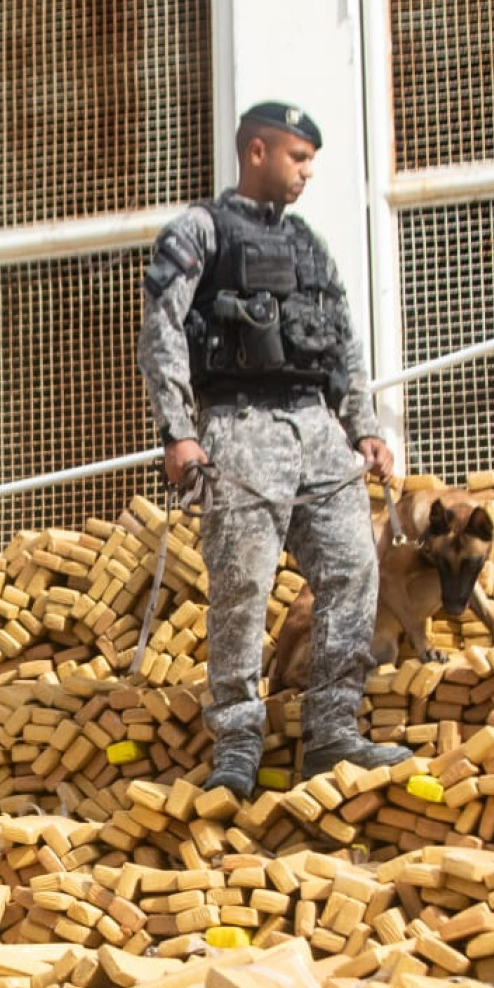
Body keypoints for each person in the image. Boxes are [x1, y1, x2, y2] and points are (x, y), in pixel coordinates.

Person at [137, 101, 412, 797]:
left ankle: (333, 731)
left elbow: (342, 343)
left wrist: (366, 429)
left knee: (354, 569)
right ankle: (236, 742)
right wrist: (179, 431)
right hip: (239, 423)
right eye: (298, 158)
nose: (307, 173)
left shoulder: (311, 244)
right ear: (256, 151)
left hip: (316, 428)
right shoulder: (198, 231)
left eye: (312, 160)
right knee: (241, 589)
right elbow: (163, 331)